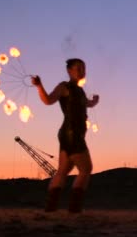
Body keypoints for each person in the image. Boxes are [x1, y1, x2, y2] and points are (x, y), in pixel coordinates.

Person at [32, 58, 99, 213]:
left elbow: (85, 104)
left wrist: (94, 102)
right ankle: (74, 209)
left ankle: (50, 208)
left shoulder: (80, 90)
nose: (83, 72)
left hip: (69, 134)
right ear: (70, 71)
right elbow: (48, 100)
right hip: (72, 134)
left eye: (84, 68)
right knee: (86, 168)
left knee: (63, 170)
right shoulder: (64, 87)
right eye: (79, 69)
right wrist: (39, 86)